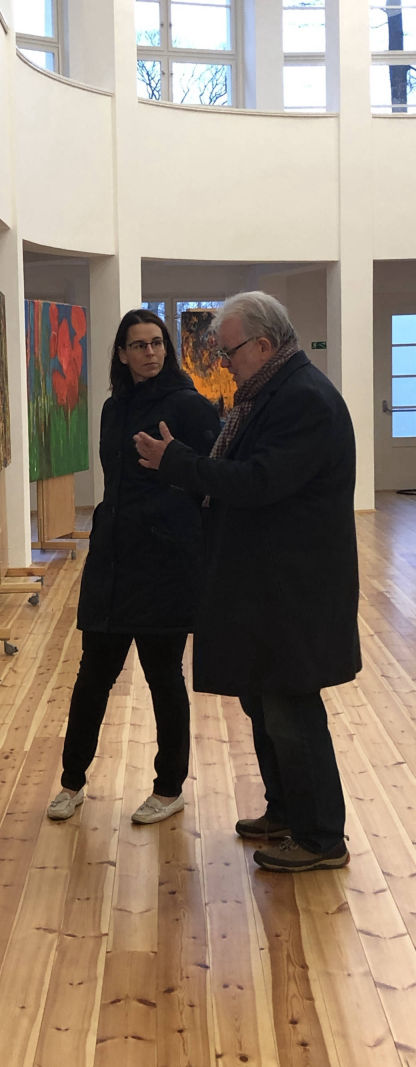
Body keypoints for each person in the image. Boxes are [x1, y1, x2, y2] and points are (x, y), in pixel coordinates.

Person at [134, 291, 361, 872]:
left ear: (262, 345)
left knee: (290, 707)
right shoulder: (272, 394)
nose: (223, 362)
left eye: (228, 351)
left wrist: (178, 462)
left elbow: (259, 482)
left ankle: (320, 838)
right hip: (268, 584)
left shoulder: (303, 399)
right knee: (265, 699)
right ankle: (285, 812)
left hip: (293, 588)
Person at [47, 309, 221, 824]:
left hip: (165, 561)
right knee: (92, 677)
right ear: (122, 354)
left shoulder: (189, 406)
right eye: (139, 345)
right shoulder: (112, 408)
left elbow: (214, 479)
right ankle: (71, 783)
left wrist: (175, 470)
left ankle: (169, 788)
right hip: (114, 558)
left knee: (163, 677)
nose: (150, 352)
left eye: (157, 343)